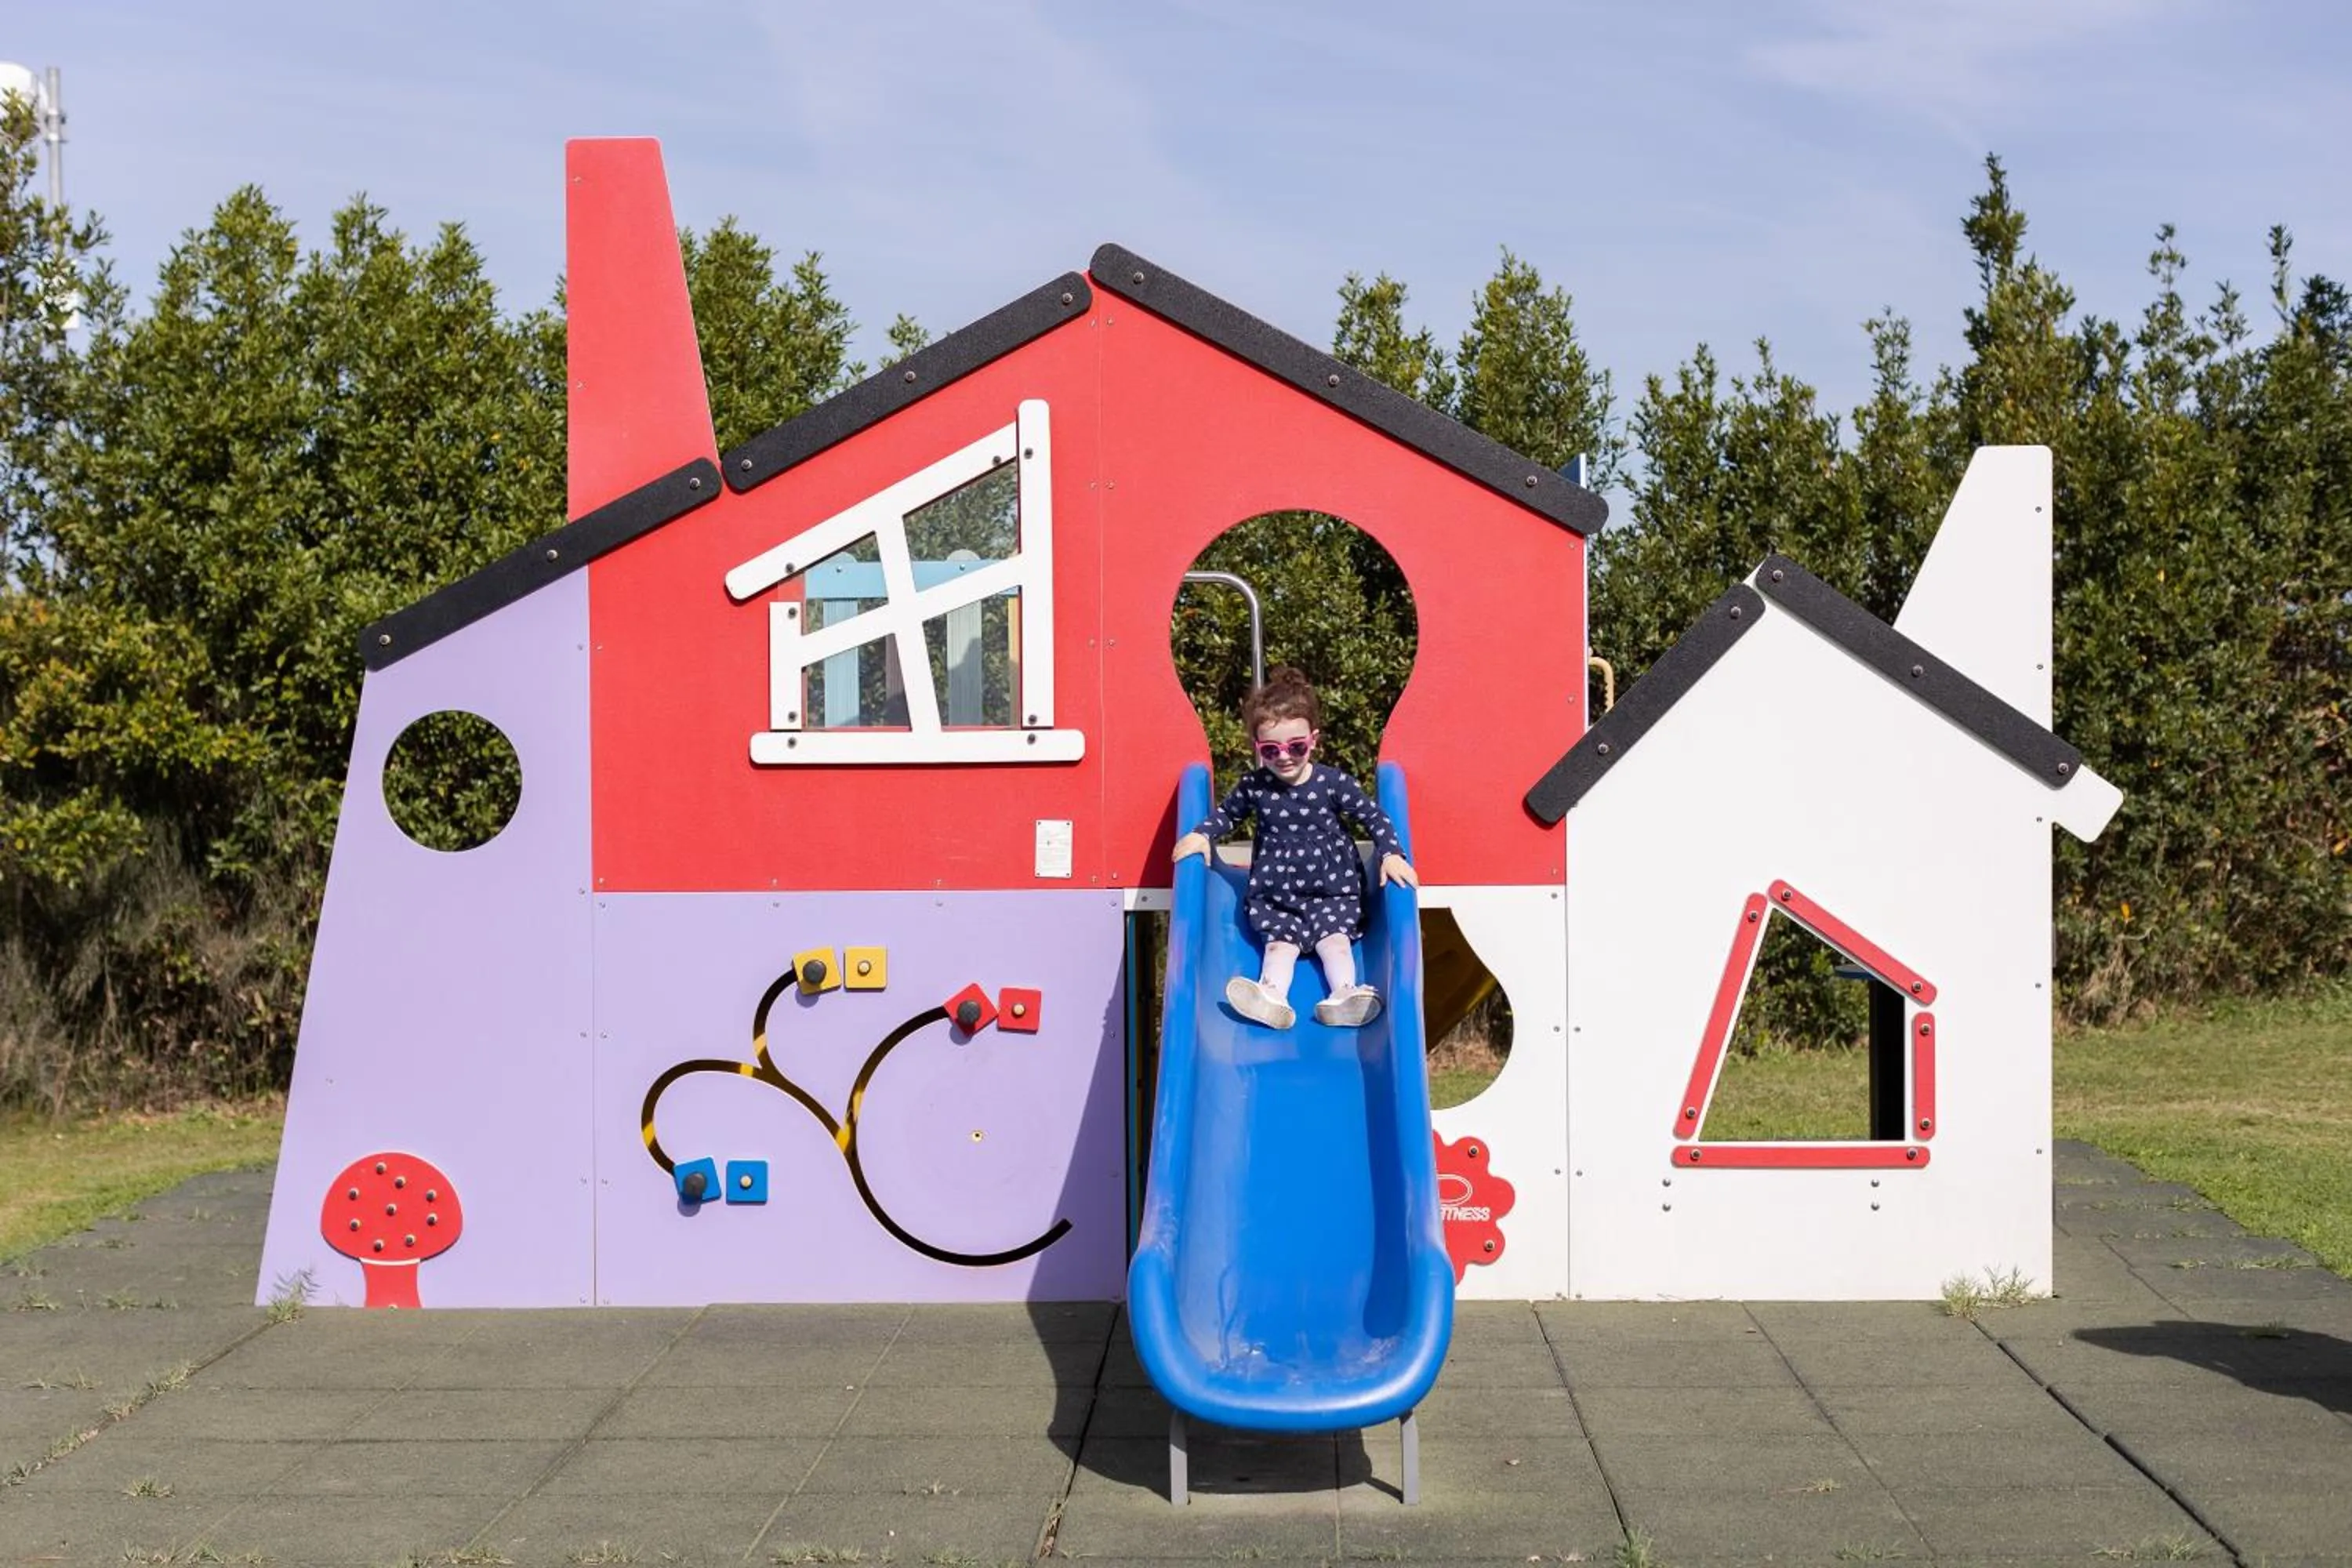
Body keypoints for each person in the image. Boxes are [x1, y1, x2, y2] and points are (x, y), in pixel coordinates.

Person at [1172, 667, 1417, 1028]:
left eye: (1296, 746)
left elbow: (1373, 816)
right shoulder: (1256, 786)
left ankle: (1345, 994)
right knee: (1278, 948)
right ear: (1258, 747)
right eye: (1271, 750)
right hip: (1278, 898)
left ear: (1313, 740)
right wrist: (1201, 834)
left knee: (1335, 943)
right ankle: (1271, 995)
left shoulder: (1333, 783)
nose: (1284, 756)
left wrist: (1392, 854)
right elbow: (1228, 814)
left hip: (1332, 893)